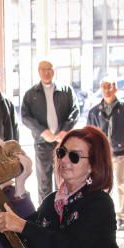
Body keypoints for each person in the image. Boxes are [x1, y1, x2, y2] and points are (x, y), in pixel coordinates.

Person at [21, 60, 80, 202]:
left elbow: (75, 111)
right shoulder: (31, 94)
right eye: (43, 69)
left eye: (49, 69)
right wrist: (42, 131)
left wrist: (65, 130)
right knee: (44, 182)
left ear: (54, 71)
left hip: (63, 143)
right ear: (38, 71)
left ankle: (65, 210)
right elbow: (25, 116)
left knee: (64, 178)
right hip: (42, 143)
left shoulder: (66, 91)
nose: (46, 72)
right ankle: (45, 214)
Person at [86, 76, 124, 222]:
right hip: (101, 154)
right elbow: (89, 133)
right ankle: (105, 213)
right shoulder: (94, 111)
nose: (107, 90)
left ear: (116, 88)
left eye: (110, 86)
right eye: (104, 87)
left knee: (120, 182)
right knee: (103, 184)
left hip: (120, 152)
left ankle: (121, 214)